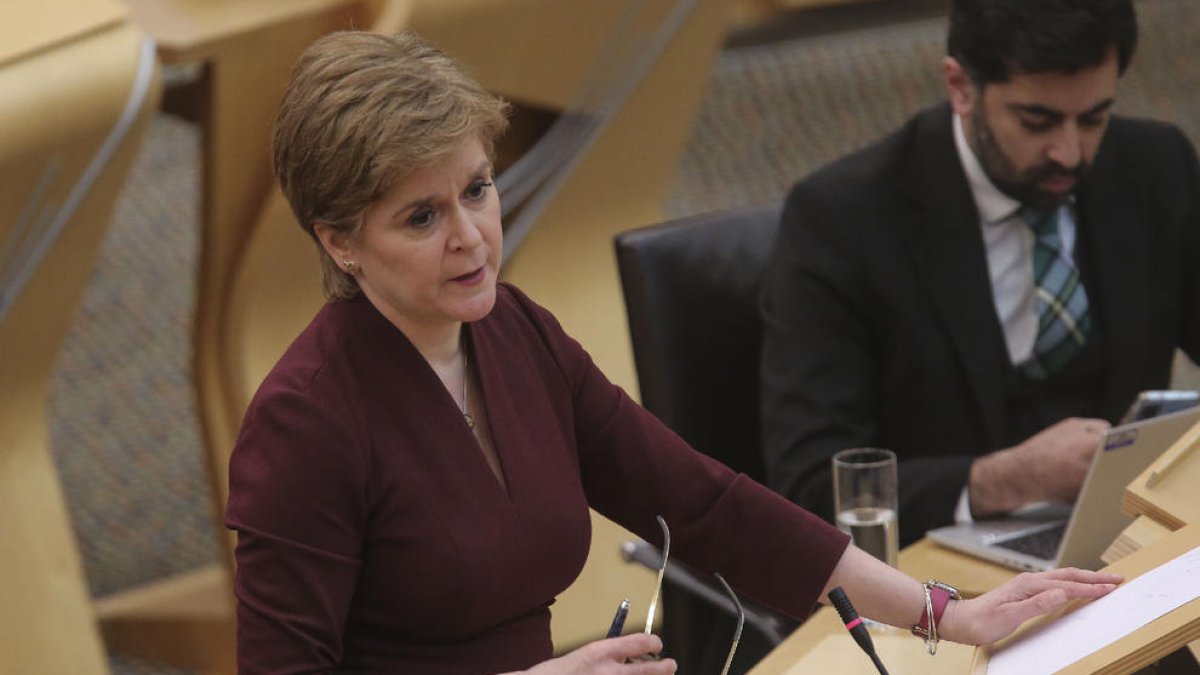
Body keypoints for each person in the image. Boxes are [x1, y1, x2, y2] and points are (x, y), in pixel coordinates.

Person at [225, 29, 1121, 674]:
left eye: (478, 189)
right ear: (340, 242)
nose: (471, 237)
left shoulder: (513, 331)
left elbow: (704, 505)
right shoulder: (306, 422)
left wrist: (945, 612)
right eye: (422, 217)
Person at [761, 0, 1200, 546]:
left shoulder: (1156, 166)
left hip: (1125, 550)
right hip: (939, 574)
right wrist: (1000, 480)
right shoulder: (843, 219)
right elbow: (810, 483)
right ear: (961, 88)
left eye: (1093, 118)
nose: (1069, 153)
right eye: (1037, 121)